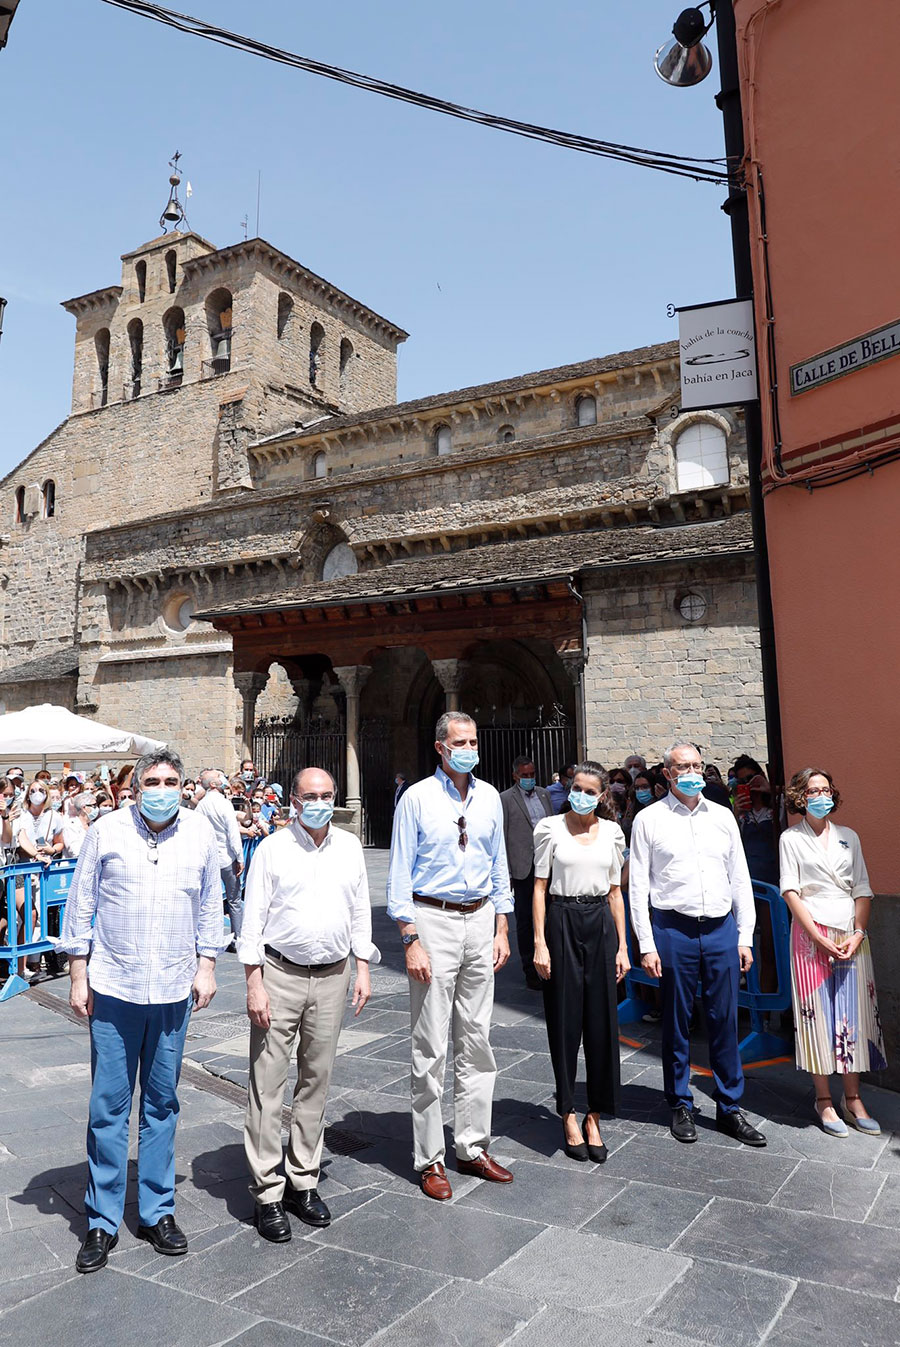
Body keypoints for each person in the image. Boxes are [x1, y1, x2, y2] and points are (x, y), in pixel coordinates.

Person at [59, 748, 222, 1274]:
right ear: (134, 787)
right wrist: (78, 975)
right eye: (152, 780)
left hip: (174, 986)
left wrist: (207, 966)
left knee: (161, 1104)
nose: (161, 788)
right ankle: (102, 1220)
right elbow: (81, 902)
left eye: (171, 780)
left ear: (184, 784)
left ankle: (157, 1211)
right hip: (114, 986)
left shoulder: (199, 833)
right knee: (108, 1107)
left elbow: (209, 904)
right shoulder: (105, 831)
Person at [239, 767, 378, 1241]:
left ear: (334, 798)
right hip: (280, 973)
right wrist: (254, 984)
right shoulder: (274, 849)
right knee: (268, 1083)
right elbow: (252, 920)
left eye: (326, 795)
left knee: (316, 1081)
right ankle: (267, 1191)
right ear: (293, 801)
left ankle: (303, 1179)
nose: (318, 802)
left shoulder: (348, 847)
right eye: (309, 795)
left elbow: (360, 908)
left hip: (334, 974)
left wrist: (362, 966)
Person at [387, 711, 513, 1200]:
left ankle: (473, 1144)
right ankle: (430, 1157)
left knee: (478, 1038)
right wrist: (409, 937)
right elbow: (399, 871)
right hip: (433, 918)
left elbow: (497, 861)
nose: (469, 748)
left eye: (474, 740)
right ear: (440, 747)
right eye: (460, 741)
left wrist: (502, 923)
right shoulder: (417, 798)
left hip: (480, 917)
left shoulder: (488, 799)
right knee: (431, 1043)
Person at [629, 742, 766, 1147]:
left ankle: (729, 1107)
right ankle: (680, 1101)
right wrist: (646, 944)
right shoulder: (649, 819)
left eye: (697, 765)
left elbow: (739, 878)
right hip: (674, 929)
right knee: (676, 1018)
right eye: (682, 766)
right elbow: (638, 886)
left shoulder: (723, 817)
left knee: (725, 1018)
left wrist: (744, 936)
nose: (691, 772)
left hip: (721, 929)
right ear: (668, 774)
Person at [779, 768, 886, 1137]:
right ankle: (824, 1099)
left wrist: (858, 933)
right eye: (813, 790)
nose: (821, 796)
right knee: (817, 1016)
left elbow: (862, 887)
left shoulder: (848, 837)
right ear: (800, 797)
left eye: (826, 789)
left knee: (853, 1015)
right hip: (811, 935)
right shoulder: (790, 839)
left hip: (850, 932)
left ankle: (853, 1098)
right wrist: (818, 938)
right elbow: (791, 892)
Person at [532, 762, 629, 1162]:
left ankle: (594, 1114)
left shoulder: (613, 832)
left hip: (600, 923)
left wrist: (623, 946)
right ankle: (568, 1112)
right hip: (562, 919)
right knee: (565, 1020)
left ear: (603, 795)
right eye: (577, 787)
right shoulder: (549, 828)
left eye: (591, 790)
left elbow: (615, 893)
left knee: (603, 1023)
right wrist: (539, 942)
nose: (582, 795)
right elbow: (538, 887)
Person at [500, 755, 553, 990]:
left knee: (550, 915)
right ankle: (530, 969)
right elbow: (502, 835)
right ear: (515, 776)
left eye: (532, 774)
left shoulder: (545, 794)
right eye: (525, 775)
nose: (530, 778)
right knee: (524, 920)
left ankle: (550, 962)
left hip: (548, 864)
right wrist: (507, 872)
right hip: (522, 867)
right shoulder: (505, 799)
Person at [196, 768, 245, 950]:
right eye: (219, 776)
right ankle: (237, 938)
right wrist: (239, 857)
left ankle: (208, 937)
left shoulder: (201, 806)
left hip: (209, 858)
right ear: (215, 784)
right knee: (234, 900)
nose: (223, 778)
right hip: (227, 858)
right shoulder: (224, 804)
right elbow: (233, 833)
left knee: (208, 900)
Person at [607, 768, 635, 843]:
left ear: (628, 785)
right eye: (611, 782)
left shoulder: (633, 805)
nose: (615, 784)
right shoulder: (602, 807)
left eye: (619, 781)